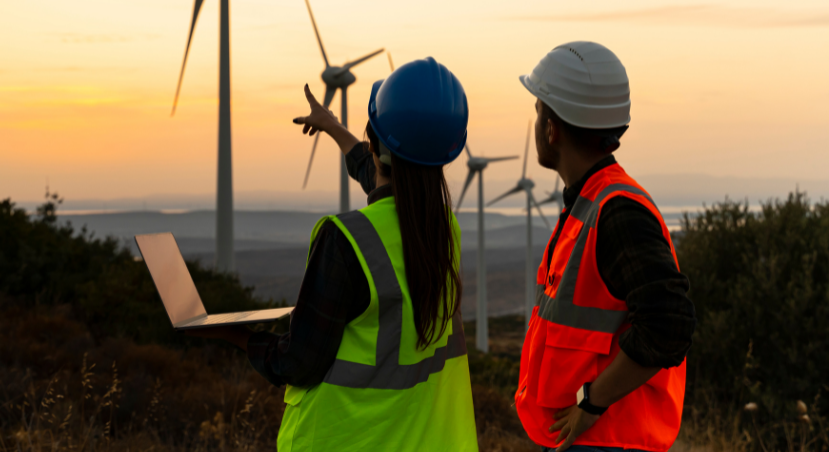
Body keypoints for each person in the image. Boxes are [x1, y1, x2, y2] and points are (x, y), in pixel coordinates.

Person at [189, 57, 479, 451]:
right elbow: (385, 177)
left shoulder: (346, 241)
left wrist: (232, 333)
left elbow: (297, 362)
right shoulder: (444, 229)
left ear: (377, 148)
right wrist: (336, 129)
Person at [513, 42, 697, 452]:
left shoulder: (617, 213)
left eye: (539, 110)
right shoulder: (593, 202)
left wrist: (592, 404)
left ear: (551, 128)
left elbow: (669, 324)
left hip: (609, 439)